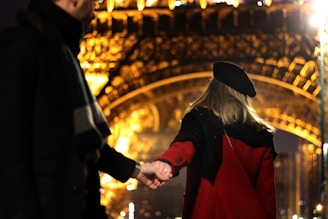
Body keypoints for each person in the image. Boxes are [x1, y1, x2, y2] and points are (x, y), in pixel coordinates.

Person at [0, 0, 170, 219]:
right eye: (94, 2)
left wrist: (135, 170)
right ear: (74, 1)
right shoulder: (24, 47)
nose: (96, 9)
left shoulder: (60, 51)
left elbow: (83, 142)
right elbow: (9, 151)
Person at [153, 61, 277, 219]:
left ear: (213, 90)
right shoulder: (262, 136)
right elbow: (267, 197)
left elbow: (185, 146)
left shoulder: (200, 121)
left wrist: (166, 163)